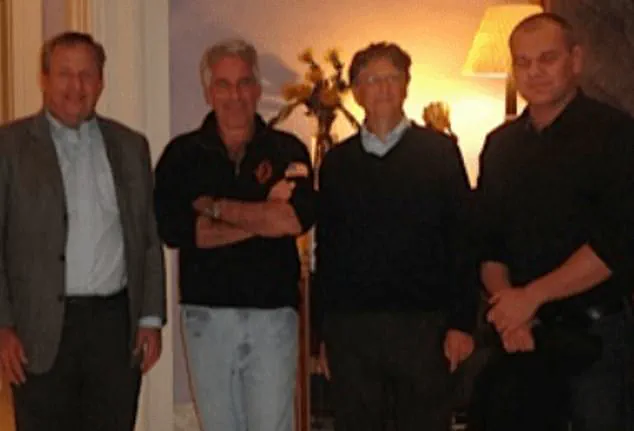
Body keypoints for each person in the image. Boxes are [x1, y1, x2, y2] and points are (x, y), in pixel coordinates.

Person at [0, 31, 166, 431]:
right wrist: (2, 326)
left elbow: (146, 237)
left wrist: (150, 318)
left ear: (101, 81)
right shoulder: (9, 147)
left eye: (86, 74)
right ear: (44, 79)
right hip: (38, 331)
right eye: (64, 74)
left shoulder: (131, 146)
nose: (76, 86)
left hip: (114, 328)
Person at [476, 12, 634, 431]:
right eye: (523, 62)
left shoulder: (617, 134)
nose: (535, 72)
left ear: (575, 60)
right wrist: (511, 310)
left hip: (595, 340)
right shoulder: (499, 146)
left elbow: (617, 242)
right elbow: (488, 243)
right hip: (521, 339)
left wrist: (531, 298)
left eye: (547, 58)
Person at [313, 42, 477, 431]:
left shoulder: (440, 153)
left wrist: (462, 323)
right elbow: (328, 251)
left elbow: (463, 240)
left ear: (406, 86)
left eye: (392, 78)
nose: (383, 88)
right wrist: (323, 333)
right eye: (371, 79)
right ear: (356, 92)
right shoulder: (337, 162)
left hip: (425, 326)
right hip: (353, 329)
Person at [154, 39, 316, 431]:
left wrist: (215, 208)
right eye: (223, 85)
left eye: (244, 83)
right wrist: (264, 214)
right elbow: (179, 232)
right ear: (208, 92)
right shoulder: (181, 156)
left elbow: (293, 221)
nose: (235, 95)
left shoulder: (288, 150)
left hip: (273, 316)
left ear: (257, 88)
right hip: (206, 316)